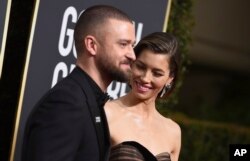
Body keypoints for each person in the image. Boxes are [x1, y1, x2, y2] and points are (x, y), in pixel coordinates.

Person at [21, 5, 136, 161]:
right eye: (123, 44)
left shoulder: (88, 98)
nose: (132, 55)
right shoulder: (66, 103)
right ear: (91, 45)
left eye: (132, 45)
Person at [104, 32, 181, 161]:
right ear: (132, 63)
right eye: (140, 66)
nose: (145, 78)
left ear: (170, 78)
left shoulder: (173, 132)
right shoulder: (106, 114)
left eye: (157, 73)